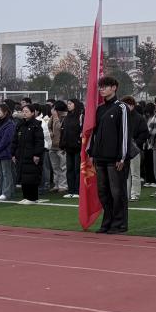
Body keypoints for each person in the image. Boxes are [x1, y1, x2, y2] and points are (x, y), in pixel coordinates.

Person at [87, 76, 131, 233]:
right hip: (100, 157)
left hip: (116, 159)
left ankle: (120, 224)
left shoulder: (122, 107)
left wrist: (122, 157)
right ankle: (107, 221)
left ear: (114, 87)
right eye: (100, 86)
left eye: (105, 86)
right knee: (103, 192)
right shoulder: (99, 109)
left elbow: (125, 133)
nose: (101, 89)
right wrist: (92, 152)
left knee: (117, 192)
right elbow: (95, 133)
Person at [61, 99, 83, 199]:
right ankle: (71, 190)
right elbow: (63, 131)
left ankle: (77, 190)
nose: (68, 105)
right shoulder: (67, 117)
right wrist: (62, 145)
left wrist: (79, 141)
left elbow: (82, 131)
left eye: (70, 104)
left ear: (75, 104)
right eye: (68, 104)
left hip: (78, 147)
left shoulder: (80, 116)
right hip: (68, 147)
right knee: (69, 169)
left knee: (77, 169)